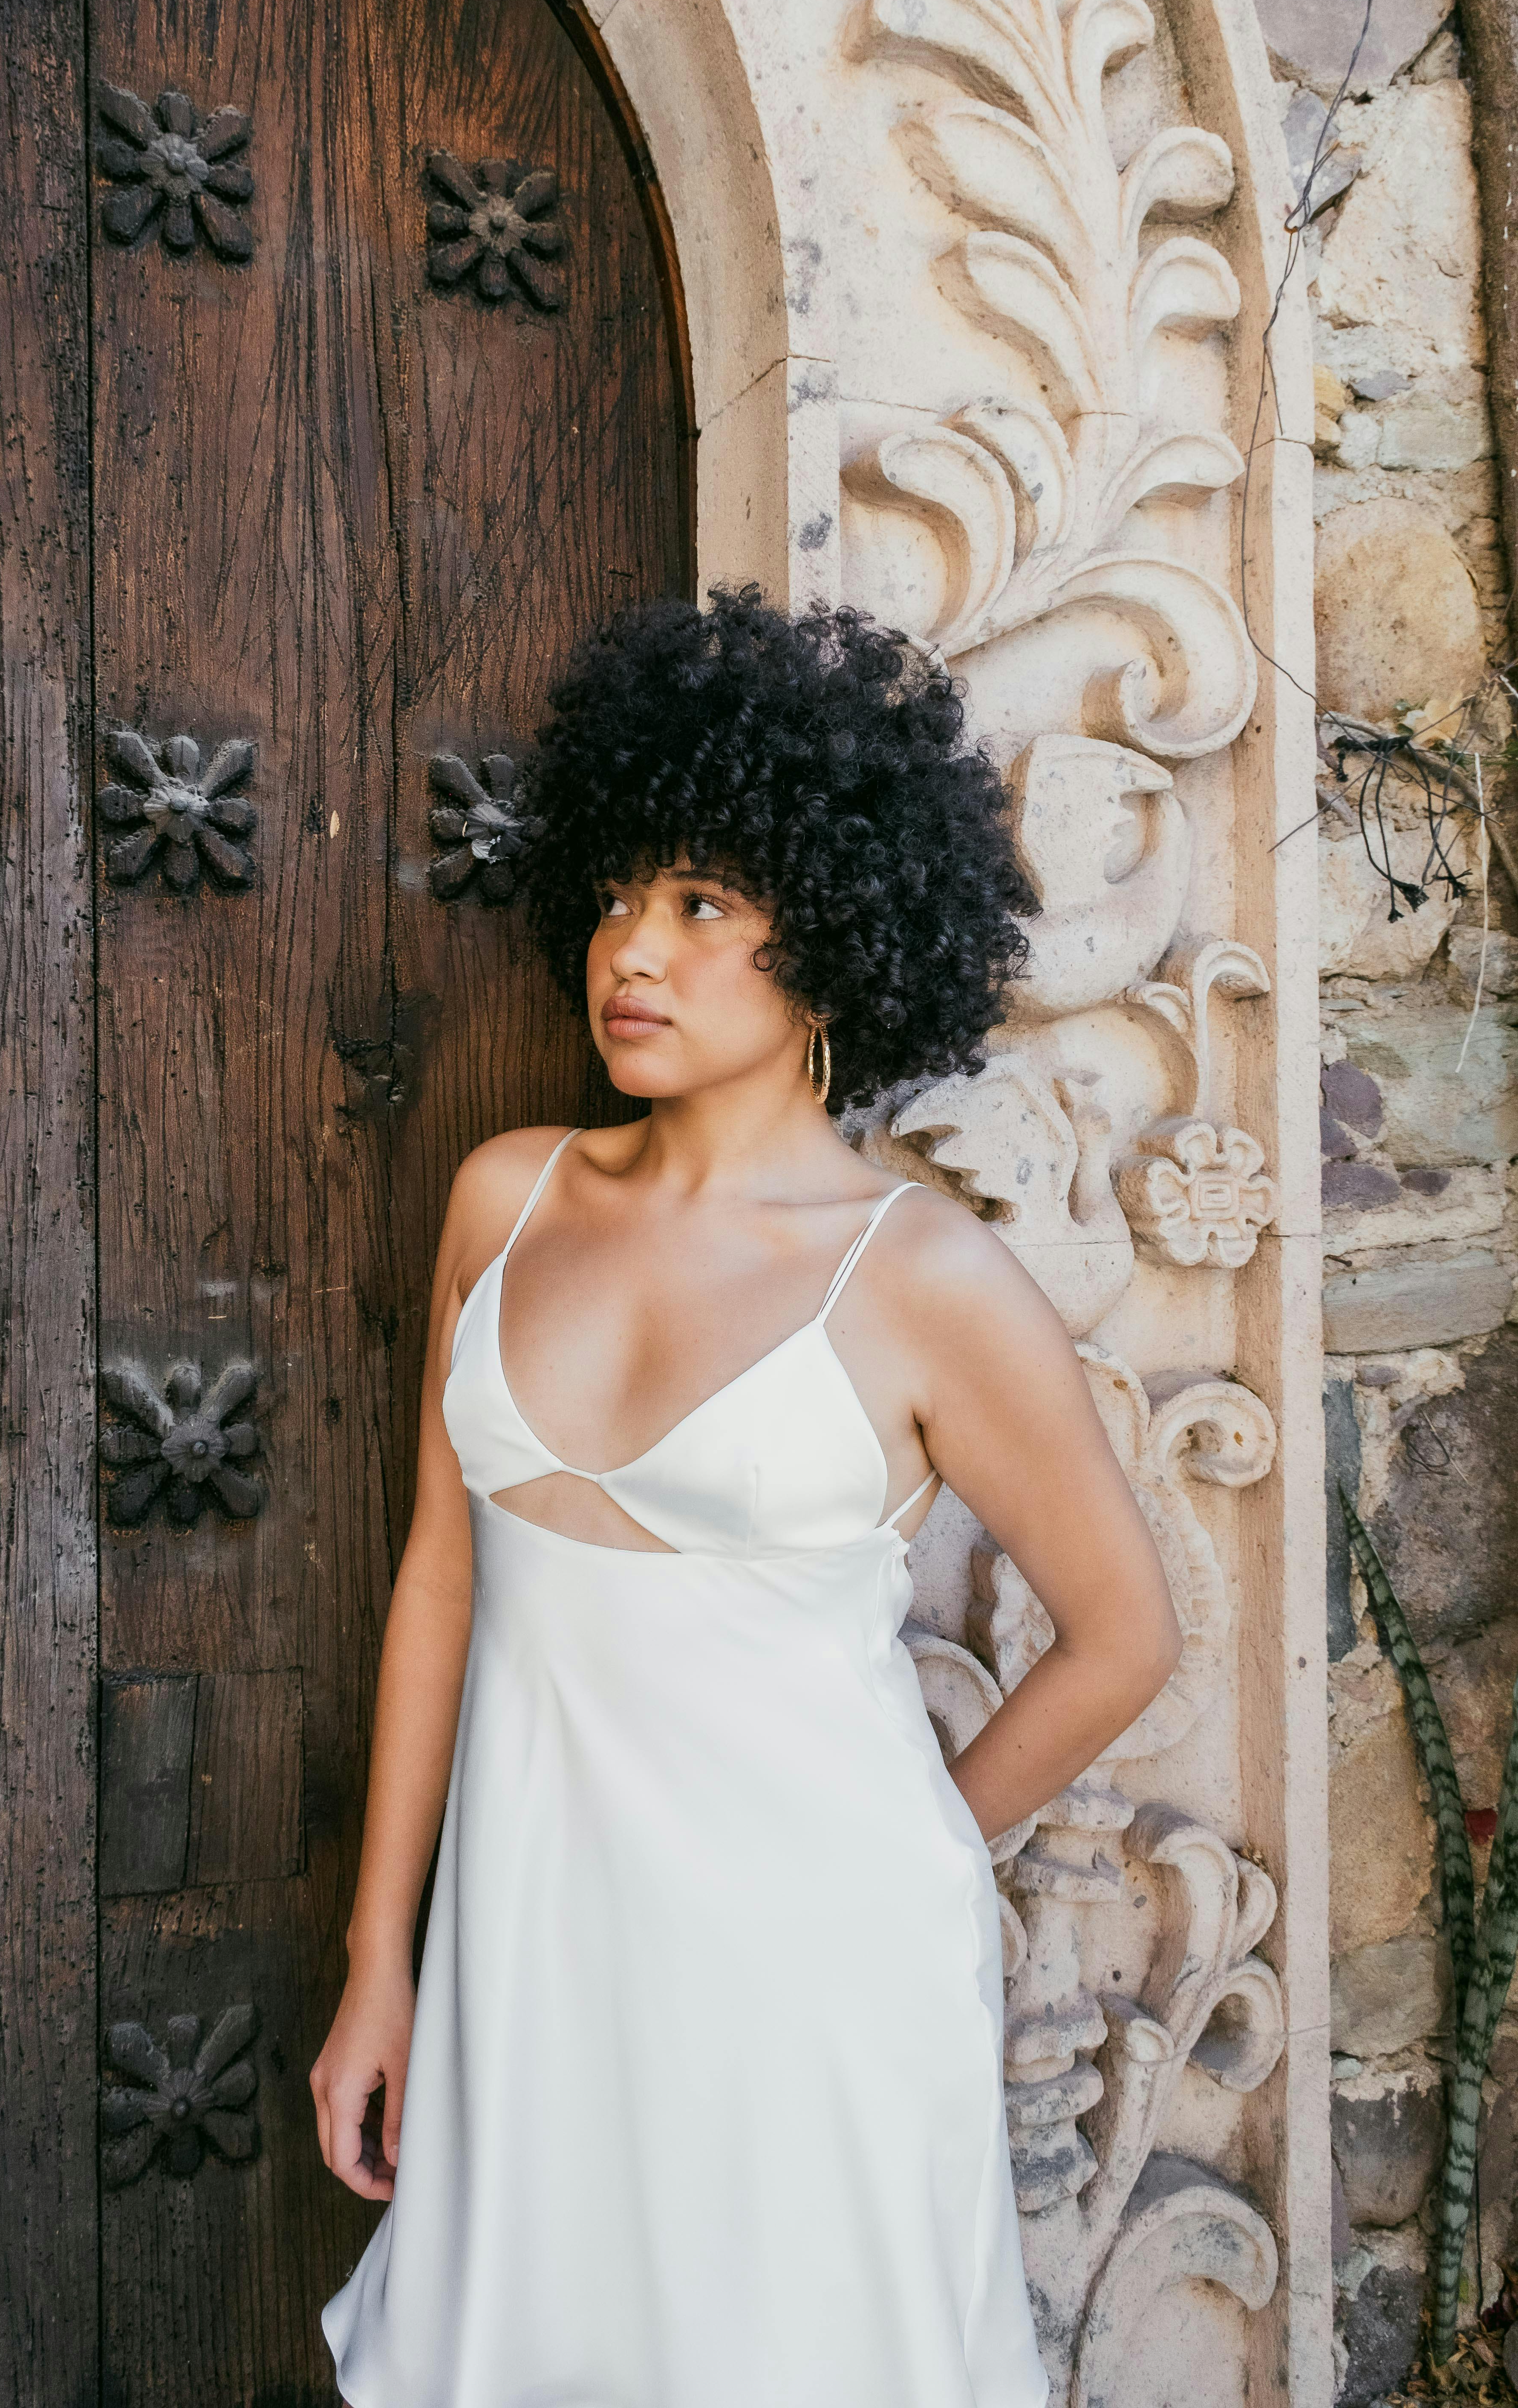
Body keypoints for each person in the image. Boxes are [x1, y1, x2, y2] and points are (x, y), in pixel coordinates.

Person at [312, 586, 1183, 2408]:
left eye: (704, 903)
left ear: (836, 935)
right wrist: (376, 1962)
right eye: (621, 897)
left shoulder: (926, 1277)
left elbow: (1123, 1636)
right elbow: (438, 1591)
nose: (634, 948)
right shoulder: (507, 1198)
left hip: (810, 1979)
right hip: (529, 1975)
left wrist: (917, 1853)